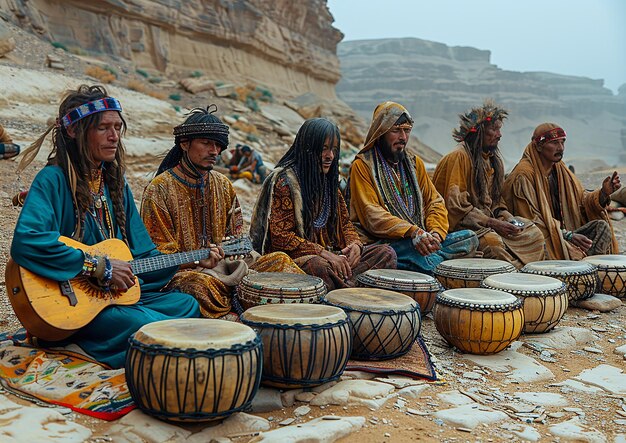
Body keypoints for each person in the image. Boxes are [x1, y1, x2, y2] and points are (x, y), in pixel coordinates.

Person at [10, 85, 200, 368]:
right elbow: (27, 241)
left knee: (185, 305)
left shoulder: (115, 184)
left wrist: (191, 259)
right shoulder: (52, 179)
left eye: (117, 128)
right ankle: (74, 341)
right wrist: (98, 267)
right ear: (74, 131)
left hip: (110, 298)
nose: (114, 137)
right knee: (143, 323)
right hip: (70, 302)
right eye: (103, 128)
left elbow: (143, 257)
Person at [141, 106, 302, 318]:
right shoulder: (159, 189)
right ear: (184, 144)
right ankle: (242, 313)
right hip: (183, 273)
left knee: (281, 262)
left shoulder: (223, 185)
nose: (214, 151)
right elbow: (157, 255)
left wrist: (230, 255)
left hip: (226, 267)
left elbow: (236, 238)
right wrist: (197, 260)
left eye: (218, 145)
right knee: (200, 286)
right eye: (206, 143)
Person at [250, 117, 397, 290]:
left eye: (334, 150)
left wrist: (354, 245)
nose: (330, 156)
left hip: (332, 256)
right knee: (318, 266)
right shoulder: (285, 183)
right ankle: (351, 290)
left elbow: (346, 224)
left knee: (386, 253)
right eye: (324, 149)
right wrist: (322, 253)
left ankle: (343, 286)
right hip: (298, 260)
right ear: (308, 149)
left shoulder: (330, 186)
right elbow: (281, 237)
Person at [349, 101, 478, 273]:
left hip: (420, 238)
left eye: (407, 130)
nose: (403, 137)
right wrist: (412, 232)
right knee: (400, 252)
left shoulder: (414, 164)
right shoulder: (363, 165)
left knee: (469, 238)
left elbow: (434, 202)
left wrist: (435, 233)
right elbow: (372, 214)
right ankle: (434, 263)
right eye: (396, 131)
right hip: (386, 243)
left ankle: (431, 258)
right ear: (381, 133)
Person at [432, 100, 545, 268]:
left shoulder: (493, 161)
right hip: (463, 230)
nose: (499, 135)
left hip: (489, 224)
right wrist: (492, 223)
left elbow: (497, 202)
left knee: (533, 233)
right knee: (493, 244)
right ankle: (513, 281)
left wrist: (509, 219)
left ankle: (525, 274)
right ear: (478, 132)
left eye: (499, 129)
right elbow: (455, 208)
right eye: (494, 129)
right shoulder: (458, 157)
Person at [503, 123, 620, 259]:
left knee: (601, 227)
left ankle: (588, 269)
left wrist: (603, 194)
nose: (561, 148)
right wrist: (567, 235)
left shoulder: (560, 169)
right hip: (541, 238)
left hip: (564, 233)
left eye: (562, 142)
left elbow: (581, 200)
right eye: (554, 143)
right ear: (539, 146)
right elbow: (531, 221)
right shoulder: (523, 175)